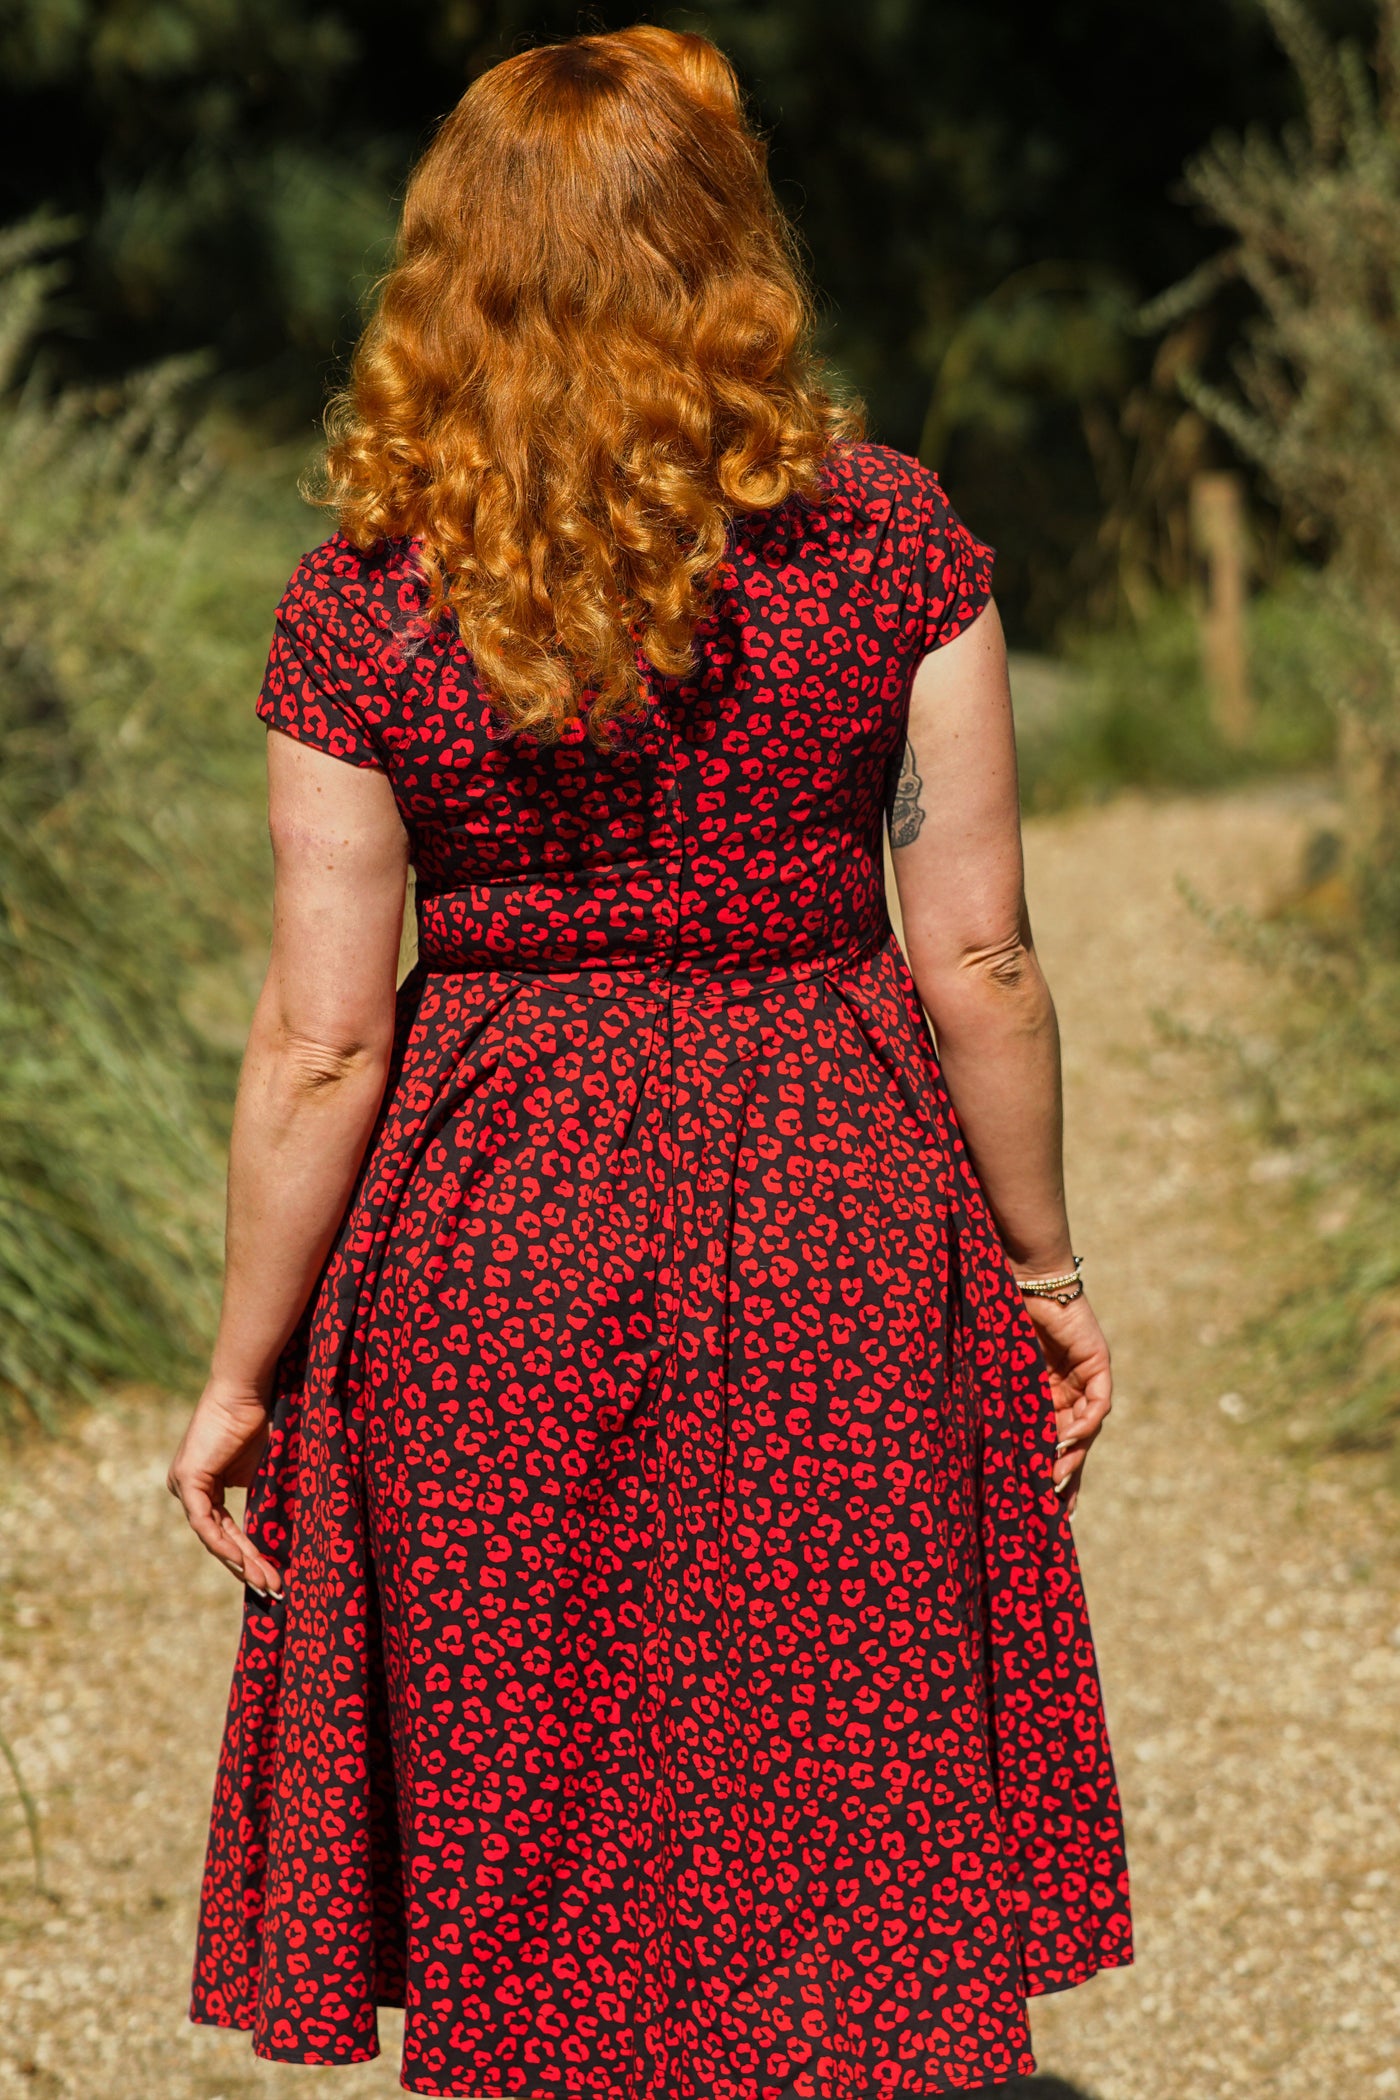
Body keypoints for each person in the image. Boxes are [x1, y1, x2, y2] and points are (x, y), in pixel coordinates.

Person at [167, 25, 1131, 2098]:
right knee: (841, 1768)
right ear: (728, 254)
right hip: (835, 1205)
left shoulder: (365, 605)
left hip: (492, 1228)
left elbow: (323, 1041)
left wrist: (245, 1369)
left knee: (541, 1772)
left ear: (447, 274)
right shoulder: (891, 544)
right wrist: (1042, 1271)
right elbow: (976, 950)